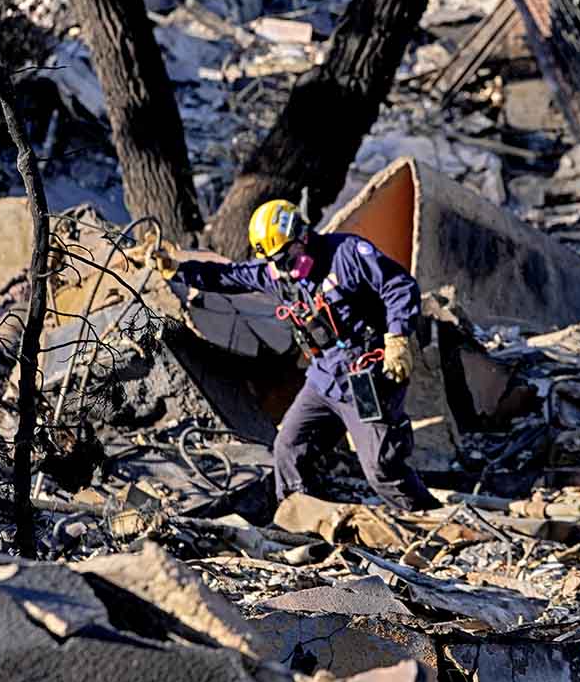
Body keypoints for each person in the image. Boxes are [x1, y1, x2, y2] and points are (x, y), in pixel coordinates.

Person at [156, 198, 439, 513]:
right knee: (288, 449)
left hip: (364, 377)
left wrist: (398, 338)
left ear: (302, 236)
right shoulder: (280, 274)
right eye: (273, 260)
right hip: (324, 378)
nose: (280, 267)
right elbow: (230, 276)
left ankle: (430, 519)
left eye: (283, 257)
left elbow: (400, 288)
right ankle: (305, 517)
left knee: (381, 468)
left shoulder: (347, 254)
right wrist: (179, 270)